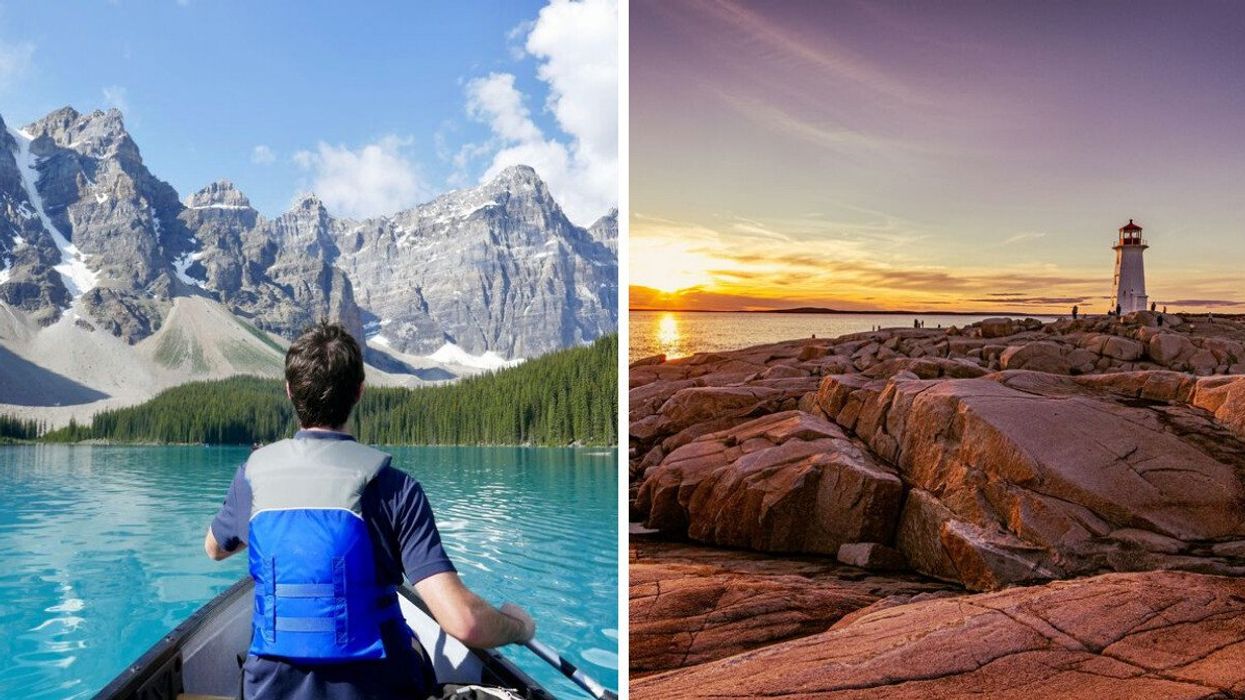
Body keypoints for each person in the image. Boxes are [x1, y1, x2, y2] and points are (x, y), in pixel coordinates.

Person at [204, 320, 535, 699]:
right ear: (360, 391)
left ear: (290, 391)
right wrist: (518, 627)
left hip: (271, 691)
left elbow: (214, 549)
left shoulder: (252, 478)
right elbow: (463, 623)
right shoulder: (396, 488)